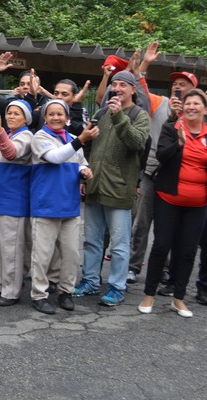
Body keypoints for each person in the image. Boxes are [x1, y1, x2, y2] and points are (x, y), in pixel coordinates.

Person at [74, 71, 150, 307]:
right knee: (92, 240)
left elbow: (136, 142)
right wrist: (84, 178)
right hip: (95, 183)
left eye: (123, 85)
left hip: (119, 187)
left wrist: (119, 116)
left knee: (118, 244)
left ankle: (117, 287)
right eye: (114, 84)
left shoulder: (140, 115)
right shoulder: (101, 113)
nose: (117, 88)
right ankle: (90, 281)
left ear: (132, 90)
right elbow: (87, 147)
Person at [128, 41, 197, 285]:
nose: (178, 87)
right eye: (175, 84)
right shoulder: (159, 102)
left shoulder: (198, 112)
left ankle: (165, 269)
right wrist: (145, 62)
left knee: (168, 226)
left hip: (180, 176)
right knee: (142, 223)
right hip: (152, 171)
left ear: (194, 91)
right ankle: (134, 266)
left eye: (184, 84)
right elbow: (138, 85)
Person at [138, 89, 207, 318]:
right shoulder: (172, 128)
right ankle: (149, 295)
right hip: (168, 198)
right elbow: (162, 156)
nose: (191, 107)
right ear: (183, 107)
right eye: (188, 103)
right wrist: (179, 143)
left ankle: (178, 299)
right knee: (161, 246)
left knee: (187, 251)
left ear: (204, 109)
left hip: (198, 203)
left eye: (197, 104)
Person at [30, 100, 97, 314]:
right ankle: (39, 295)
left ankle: (65, 292)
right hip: (46, 205)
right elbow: (55, 158)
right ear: (46, 117)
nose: (56, 117)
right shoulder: (40, 137)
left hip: (70, 205)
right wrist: (82, 141)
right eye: (52, 114)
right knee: (42, 255)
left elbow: (81, 162)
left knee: (70, 254)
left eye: (60, 114)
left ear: (67, 118)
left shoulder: (73, 139)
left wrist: (85, 171)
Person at [0, 100, 33, 306]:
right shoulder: (0, 134)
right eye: (9, 113)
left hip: (13, 200)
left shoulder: (27, 136)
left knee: (10, 247)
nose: (12, 116)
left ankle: (11, 290)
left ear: (26, 119)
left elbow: (11, 153)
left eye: (17, 114)